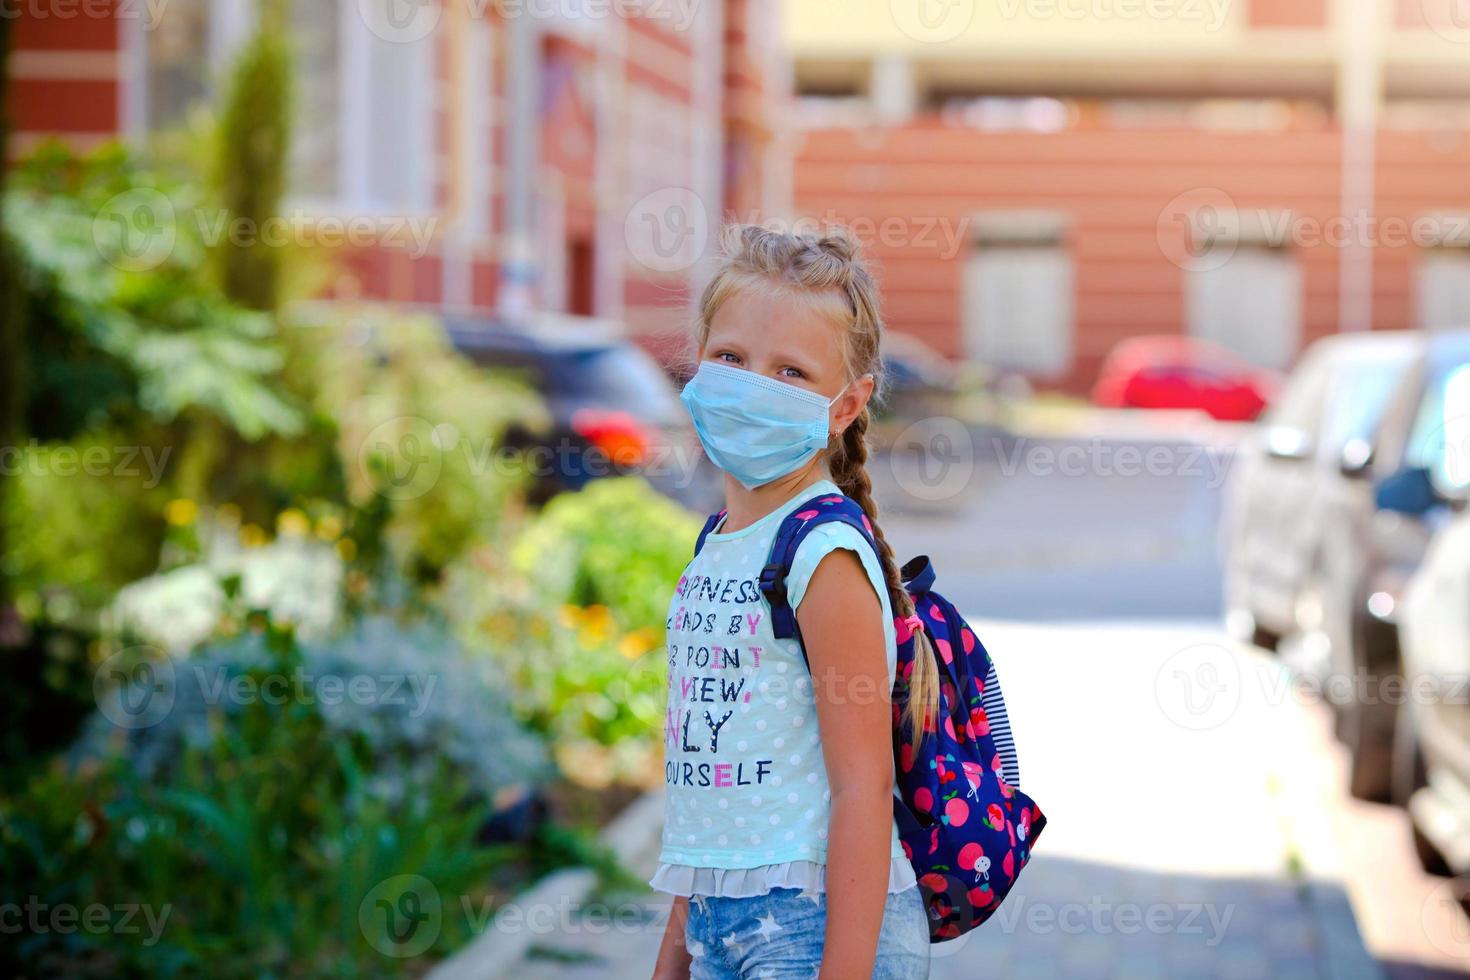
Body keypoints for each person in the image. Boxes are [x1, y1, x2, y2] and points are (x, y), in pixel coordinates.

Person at [651, 225, 938, 980]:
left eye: (790, 372)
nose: (753, 386)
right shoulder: (719, 541)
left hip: (811, 934)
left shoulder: (822, 553)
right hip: (722, 930)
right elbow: (713, 798)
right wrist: (672, 958)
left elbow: (862, 788)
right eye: (732, 359)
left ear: (845, 406)